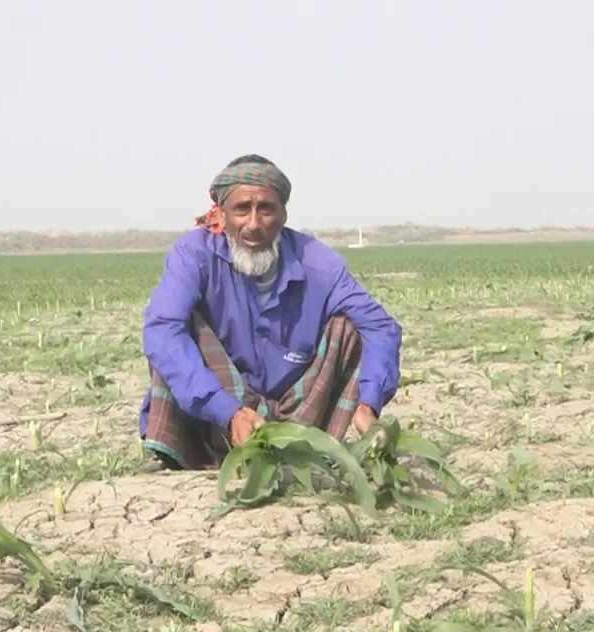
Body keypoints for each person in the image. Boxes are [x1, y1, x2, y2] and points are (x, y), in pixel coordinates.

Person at [138, 154, 403, 470]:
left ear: (283, 214)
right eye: (241, 210)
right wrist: (227, 411)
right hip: (218, 407)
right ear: (222, 215)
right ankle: (175, 455)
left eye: (266, 209)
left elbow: (380, 327)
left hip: (299, 410)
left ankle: (304, 455)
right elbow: (161, 331)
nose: (253, 224)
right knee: (172, 331)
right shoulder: (194, 255)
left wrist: (369, 402)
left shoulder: (319, 263)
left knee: (350, 327)